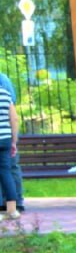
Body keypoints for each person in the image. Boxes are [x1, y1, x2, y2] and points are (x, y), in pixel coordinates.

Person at [0, 70, 23, 215]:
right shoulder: (5, 93)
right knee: (6, 172)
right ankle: (13, 209)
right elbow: (14, 118)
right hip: (5, 138)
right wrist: (14, 141)